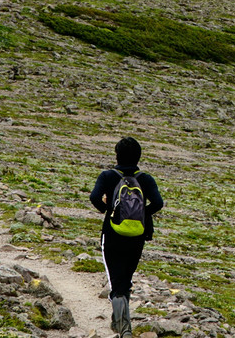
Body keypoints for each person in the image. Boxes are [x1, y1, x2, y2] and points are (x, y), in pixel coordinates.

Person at [90, 137, 163, 338]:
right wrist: (142, 214)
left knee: (116, 283)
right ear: (138, 156)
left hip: (112, 234)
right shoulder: (146, 179)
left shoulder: (107, 176)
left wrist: (110, 210)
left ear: (117, 155)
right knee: (126, 279)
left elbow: (94, 198)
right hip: (137, 236)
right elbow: (158, 203)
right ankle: (118, 323)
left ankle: (124, 329)